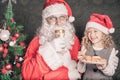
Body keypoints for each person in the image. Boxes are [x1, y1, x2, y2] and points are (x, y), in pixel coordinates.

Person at [22, 0, 82, 80]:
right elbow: (27, 75)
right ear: (46, 21)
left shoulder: (73, 40)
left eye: (62, 17)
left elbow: (79, 70)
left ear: (67, 19)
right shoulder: (36, 41)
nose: (58, 22)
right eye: (52, 18)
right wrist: (49, 48)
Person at [77, 13, 119, 80]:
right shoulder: (85, 48)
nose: (92, 35)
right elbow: (81, 70)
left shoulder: (110, 50)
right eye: (89, 32)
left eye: (95, 31)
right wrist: (81, 61)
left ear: (103, 34)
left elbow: (111, 72)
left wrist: (105, 67)